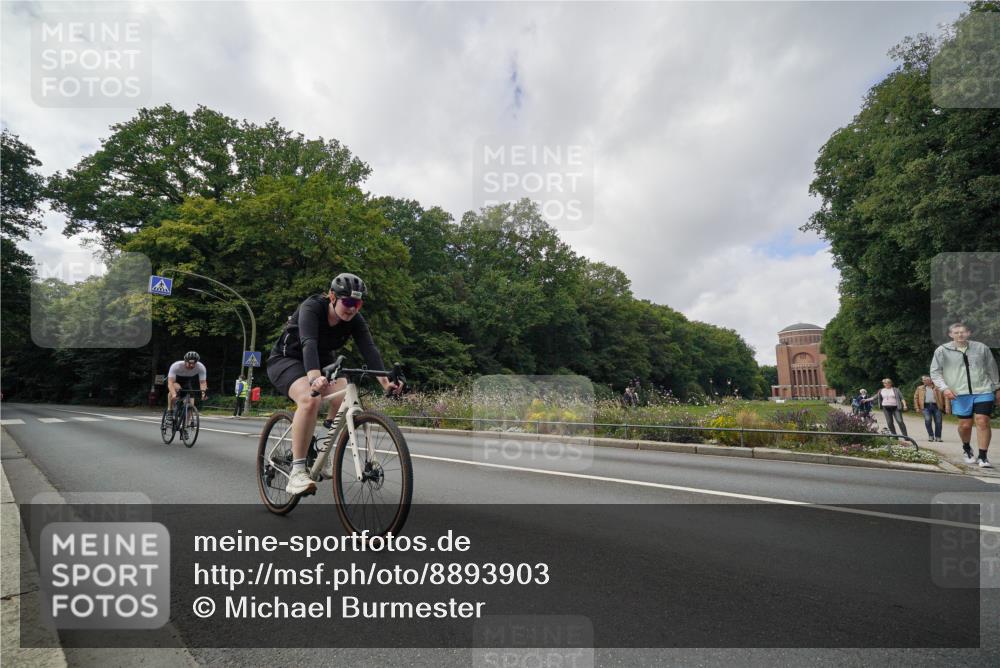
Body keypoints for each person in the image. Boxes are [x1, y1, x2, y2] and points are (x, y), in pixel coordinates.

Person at [266, 273, 402, 495]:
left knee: (342, 395)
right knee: (310, 400)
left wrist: (386, 383)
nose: (352, 308)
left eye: (357, 303)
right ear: (332, 296)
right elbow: (308, 343)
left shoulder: (355, 320)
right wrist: (313, 378)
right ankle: (298, 471)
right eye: (347, 302)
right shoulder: (312, 308)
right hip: (288, 359)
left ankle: (322, 450)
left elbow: (370, 350)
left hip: (323, 364)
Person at [930, 322, 999, 468]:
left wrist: (997, 387)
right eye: (956, 332)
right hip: (959, 393)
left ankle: (983, 456)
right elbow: (935, 372)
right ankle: (967, 448)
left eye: (963, 332)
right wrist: (945, 388)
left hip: (983, 390)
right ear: (951, 335)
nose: (960, 335)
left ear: (969, 333)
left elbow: (992, 368)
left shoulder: (981, 348)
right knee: (965, 425)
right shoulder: (942, 350)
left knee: (982, 421)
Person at [167, 352, 207, 418]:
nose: (191, 365)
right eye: (190, 363)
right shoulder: (176, 366)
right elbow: (170, 383)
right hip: (175, 380)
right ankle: (170, 410)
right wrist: (174, 394)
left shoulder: (201, 367)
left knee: (191, 404)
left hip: (186, 382)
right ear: (185, 361)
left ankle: (186, 425)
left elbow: (202, 382)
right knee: (176, 389)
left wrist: (203, 393)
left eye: (194, 363)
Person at [913, 375, 948, 443]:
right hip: (926, 407)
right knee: (928, 420)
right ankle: (931, 436)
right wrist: (917, 407)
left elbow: (945, 397)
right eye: (923, 380)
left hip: (937, 406)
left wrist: (946, 407)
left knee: (938, 422)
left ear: (931, 381)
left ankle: (938, 437)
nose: (924, 381)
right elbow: (915, 398)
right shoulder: (920, 388)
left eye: (926, 380)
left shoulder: (938, 388)